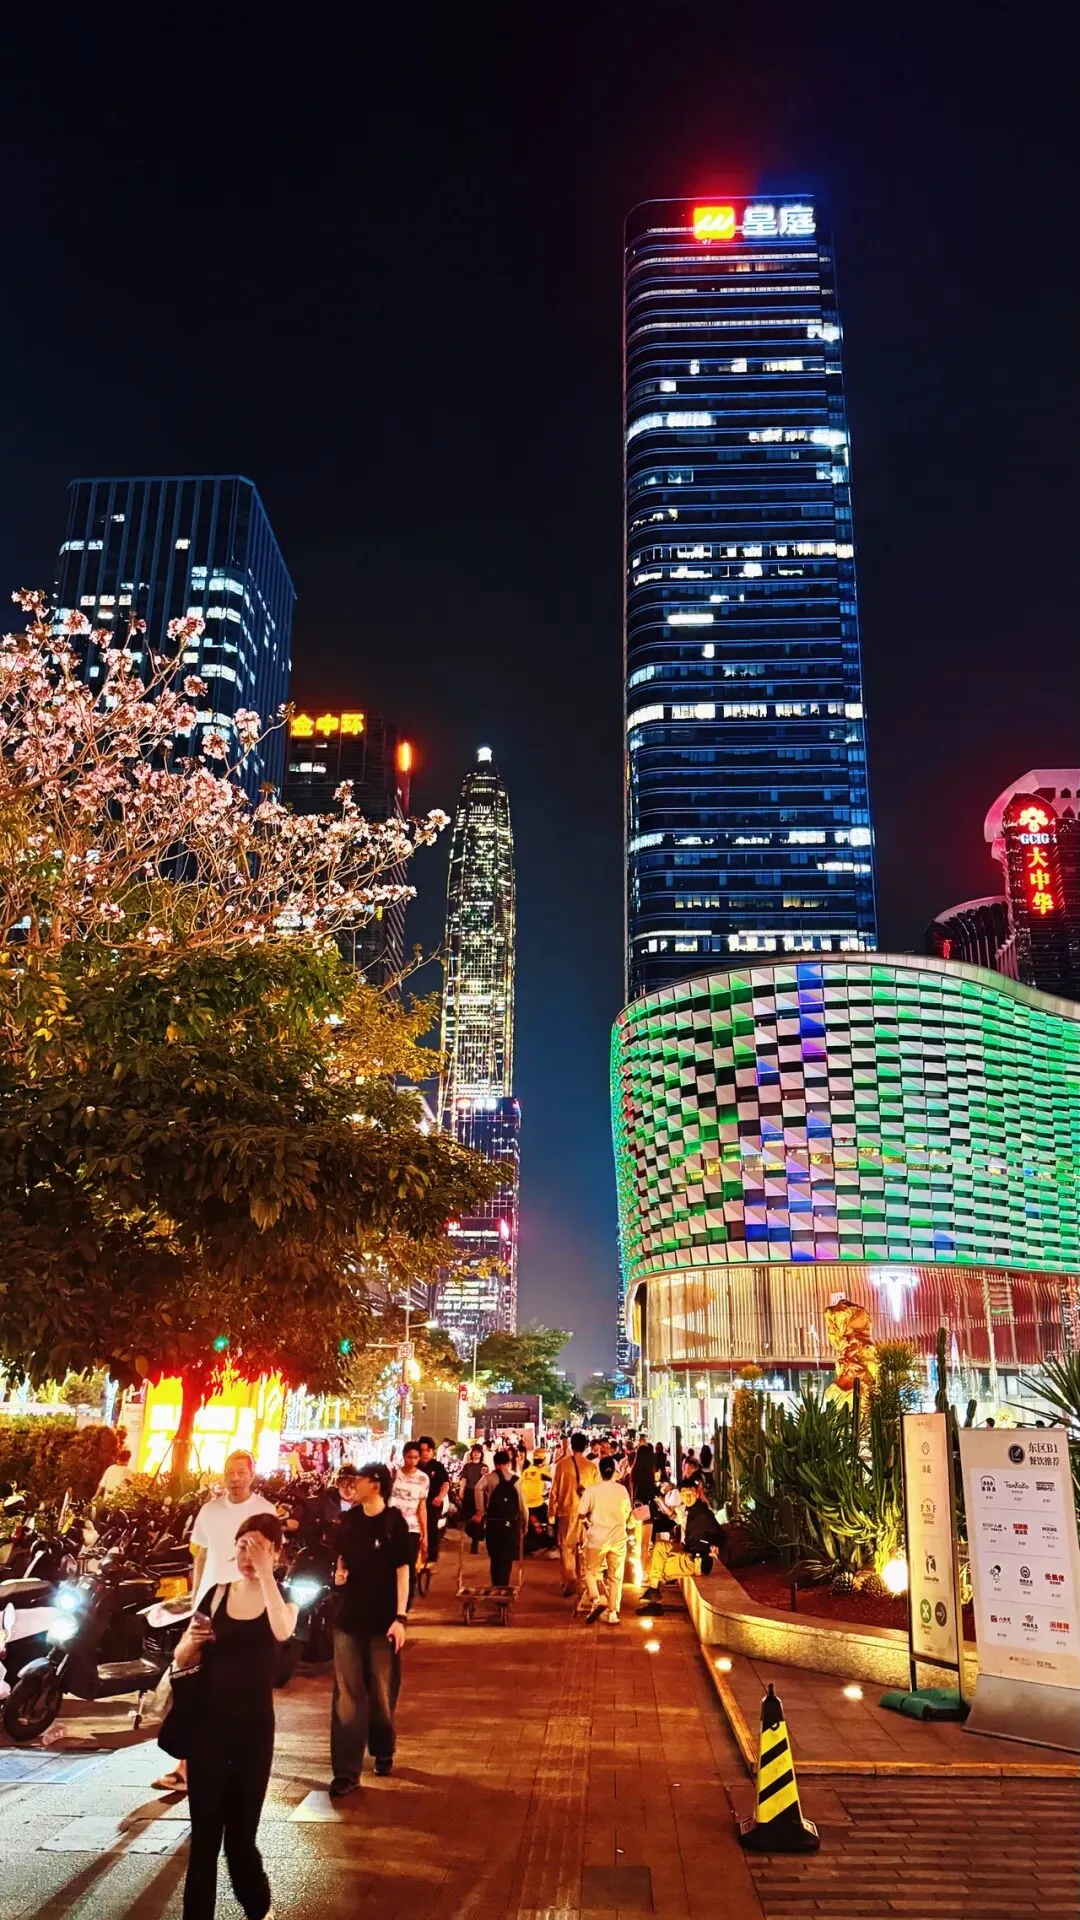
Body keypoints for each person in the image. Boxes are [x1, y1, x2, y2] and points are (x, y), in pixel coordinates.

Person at [171, 1511, 296, 1920]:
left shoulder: (285, 1601)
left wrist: (267, 1575)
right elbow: (181, 1657)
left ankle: (258, 1908)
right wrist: (191, 1643)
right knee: (204, 1839)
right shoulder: (216, 1595)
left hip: (253, 1734)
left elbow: (282, 1630)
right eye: (242, 1546)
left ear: (276, 1552)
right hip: (209, 1728)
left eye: (258, 1547)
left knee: (240, 1840)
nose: (247, 1555)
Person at [154, 1452, 276, 1797]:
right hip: (209, 1606)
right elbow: (201, 1557)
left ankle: (234, 1764)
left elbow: (270, 1559)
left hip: (245, 1607)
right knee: (194, 1683)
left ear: (252, 1474)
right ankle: (186, 1765)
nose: (234, 1479)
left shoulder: (264, 1510)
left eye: (241, 1472)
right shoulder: (209, 1511)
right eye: (229, 1472)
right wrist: (195, 1602)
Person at [329, 1461, 410, 1799]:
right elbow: (341, 1559)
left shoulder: (394, 1523)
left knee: (381, 1694)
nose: (352, 1485)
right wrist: (339, 1574)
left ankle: (382, 1749)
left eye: (358, 1480)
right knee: (346, 1698)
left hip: (382, 1622)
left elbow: (403, 1571)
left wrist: (400, 1618)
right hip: (348, 1619)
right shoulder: (349, 1520)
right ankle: (346, 1772)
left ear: (375, 1485)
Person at [636, 1480, 728, 1611]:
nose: (687, 1497)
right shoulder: (688, 1510)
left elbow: (721, 1535)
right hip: (687, 1550)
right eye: (684, 1494)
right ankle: (654, 1592)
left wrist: (714, 1544)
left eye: (690, 1493)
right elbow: (674, 1519)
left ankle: (653, 1601)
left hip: (697, 1560)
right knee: (660, 1547)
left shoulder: (703, 1513)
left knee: (661, 1566)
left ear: (696, 1493)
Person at [574, 1455, 632, 1625]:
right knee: (616, 1577)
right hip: (618, 1538)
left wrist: (588, 1524)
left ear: (599, 1471)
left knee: (590, 1571)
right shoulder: (622, 1490)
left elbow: (581, 1514)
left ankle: (596, 1599)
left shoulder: (592, 1490)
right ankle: (613, 1613)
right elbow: (627, 1513)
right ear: (614, 1471)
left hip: (597, 1539)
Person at [549, 1431, 600, 1598]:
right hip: (586, 1515)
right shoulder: (591, 1467)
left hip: (566, 1512)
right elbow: (596, 1492)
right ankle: (583, 1581)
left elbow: (554, 1491)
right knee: (584, 1548)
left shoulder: (562, 1465)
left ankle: (570, 1581)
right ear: (585, 1447)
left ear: (571, 1445)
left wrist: (551, 1513)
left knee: (566, 1548)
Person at [476, 1449, 528, 1587]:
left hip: (493, 1522)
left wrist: (480, 1510)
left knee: (495, 1556)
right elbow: (522, 1504)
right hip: (511, 1523)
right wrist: (525, 1522)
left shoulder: (488, 1478)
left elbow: (477, 1488)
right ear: (508, 1463)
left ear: (495, 1463)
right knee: (507, 1556)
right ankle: (503, 1584)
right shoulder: (516, 1479)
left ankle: (496, 1584)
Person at [389, 1441, 429, 1605]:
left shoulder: (423, 1478)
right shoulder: (393, 1474)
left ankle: (406, 1603)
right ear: (403, 1456)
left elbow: (422, 1507)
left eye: (415, 1457)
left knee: (409, 1565)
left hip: (412, 1528)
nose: (412, 1461)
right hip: (392, 1527)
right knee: (392, 1564)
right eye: (409, 1457)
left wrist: (425, 1535)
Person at [417, 1435, 450, 1567]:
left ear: (432, 1451)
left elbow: (445, 1484)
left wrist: (440, 1497)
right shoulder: (415, 1466)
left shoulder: (438, 1466)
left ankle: (431, 1556)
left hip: (432, 1503)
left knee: (431, 1528)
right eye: (422, 1450)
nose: (425, 1453)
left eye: (428, 1450)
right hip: (416, 1503)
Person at [519, 1449, 553, 1555]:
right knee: (551, 1520)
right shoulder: (542, 1472)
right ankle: (549, 1544)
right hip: (538, 1505)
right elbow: (555, 1482)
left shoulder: (525, 1472)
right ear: (544, 1460)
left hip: (525, 1505)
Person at [456, 1444, 487, 1554]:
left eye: (478, 1452)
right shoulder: (467, 1466)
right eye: (474, 1452)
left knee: (478, 1518)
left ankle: (475, 1542)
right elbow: (464, 1479)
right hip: (469, 1493)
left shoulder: (484, 1466)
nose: (476, 1454)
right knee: (468, 1518)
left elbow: (486, 1481)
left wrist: (484, 1475)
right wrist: (461, 1490)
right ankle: (470, 1537)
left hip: (480, 1494)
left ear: (481, 1454)